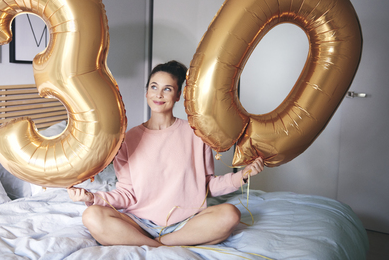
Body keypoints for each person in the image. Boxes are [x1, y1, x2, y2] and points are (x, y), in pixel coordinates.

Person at [68, 60, 264, 247]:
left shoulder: (197, 134)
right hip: (139, 223)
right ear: (146, 92)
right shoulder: (127, 139)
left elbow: (207, 186)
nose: (159, 94)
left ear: (178, 95)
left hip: (186, 223)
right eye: (154, 87)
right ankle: (161, 242)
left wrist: (242, 177)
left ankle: (158, 244)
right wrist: (91, 197)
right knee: (91, 216)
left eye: (167, 89)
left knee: (230, 214)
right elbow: (126, 194)